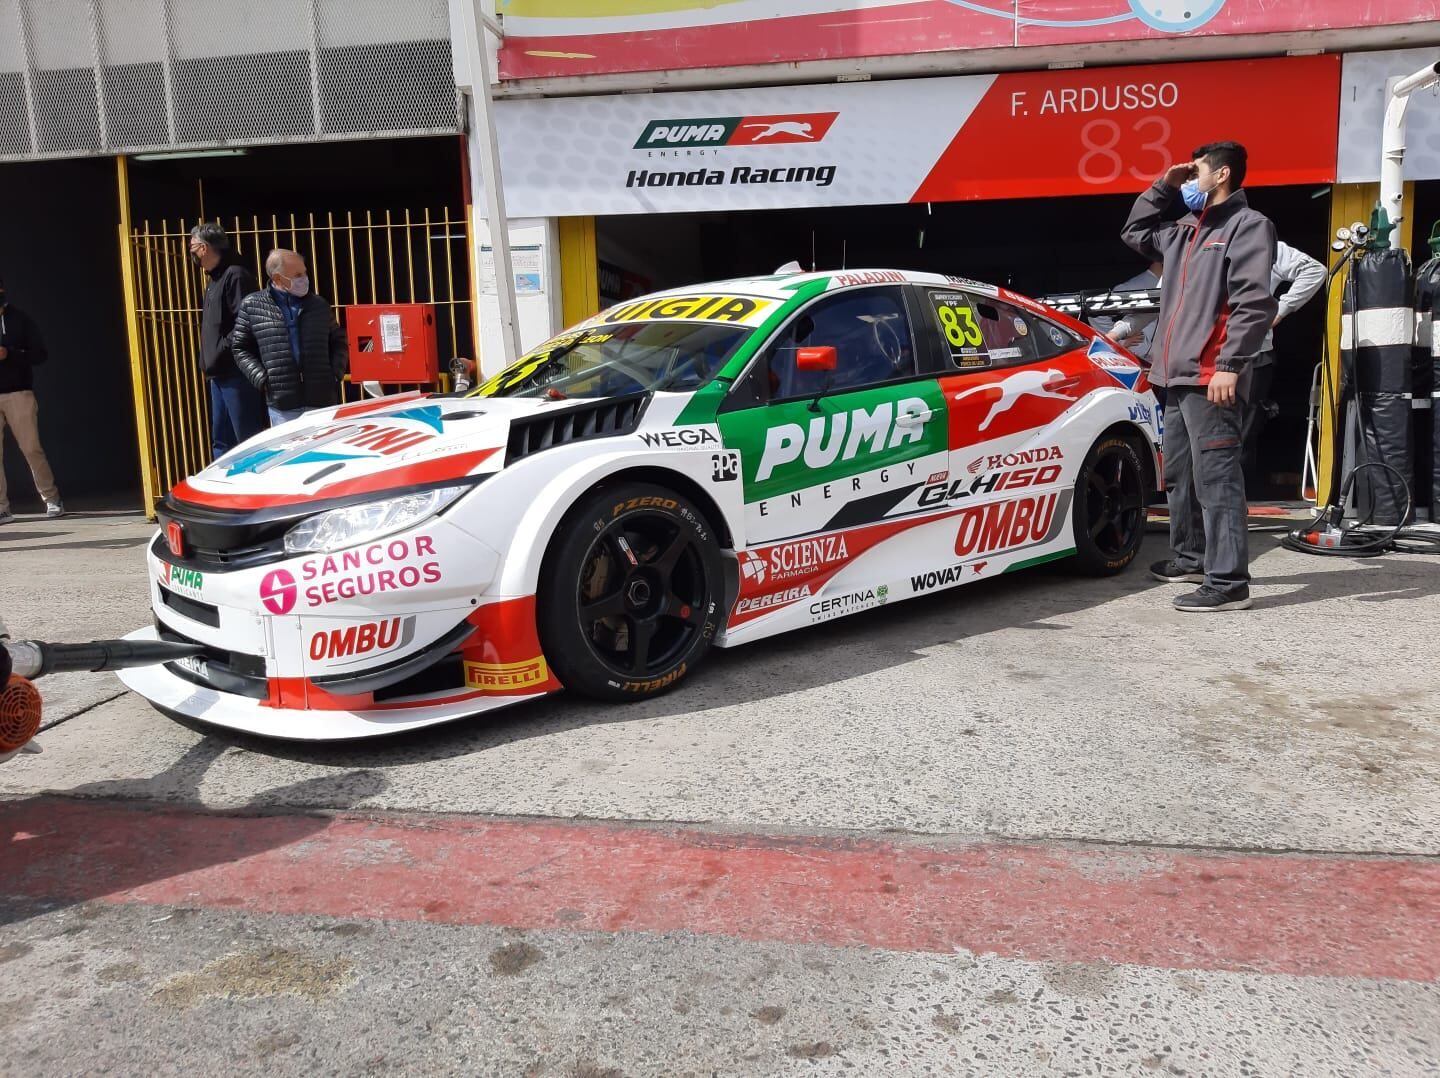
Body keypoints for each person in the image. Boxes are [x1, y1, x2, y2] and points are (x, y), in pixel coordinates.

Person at [1122, 141, 1278, 613]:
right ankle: (1191, 557)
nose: (1189, 180)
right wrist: (1163, 186)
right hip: (1176, 377)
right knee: (1181, 476)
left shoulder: (1247, 227)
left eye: (1196, 172)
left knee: (1217, 478)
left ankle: (1229, 583)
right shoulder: (1184, 231)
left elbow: (1253, 304)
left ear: (1223, 174)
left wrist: (1229, 366)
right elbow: (1135, 231)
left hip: (1212, 376)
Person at [231, 249, 348, 426]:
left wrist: (335, 374)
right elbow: (240, 347)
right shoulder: (252, 305)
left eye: (305, 272)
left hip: (321, 400)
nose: (304, 279)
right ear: (278, 279)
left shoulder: (318, 305)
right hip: (283, 404)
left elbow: (338, 340)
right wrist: (262, 379)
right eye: (298, 275)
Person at [1242, 241, 1325, 485]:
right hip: (1203, 356)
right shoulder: (1194, 241)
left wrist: (1280, 309)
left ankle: (1234, 509)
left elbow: (1315, 270)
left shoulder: (1262, 242)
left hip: (1254, 355)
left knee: (1243, 435)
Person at [190, 223, 266, 458]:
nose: (191, 253)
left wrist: (222, 348)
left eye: (192, 247)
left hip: (236, 372)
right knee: (222, 442)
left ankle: (254, 491)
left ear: (204, 248)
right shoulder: (214, 279)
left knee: (247, 439)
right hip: (218, 374)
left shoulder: (236, 274)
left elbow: (246, 321)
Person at [0, 281, 62, 524]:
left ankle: (52, 498)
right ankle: (2, 508)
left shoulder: (20, 319)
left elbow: (40, 354)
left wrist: (10, 353)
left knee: (31, 449)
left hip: (19, 393)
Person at [1105, 260, 1163, 363]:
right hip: (1140, 357)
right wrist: (1118, 340)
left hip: (1161, 357)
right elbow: (1097, 315)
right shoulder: (1135, 284)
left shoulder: (1172, 280)